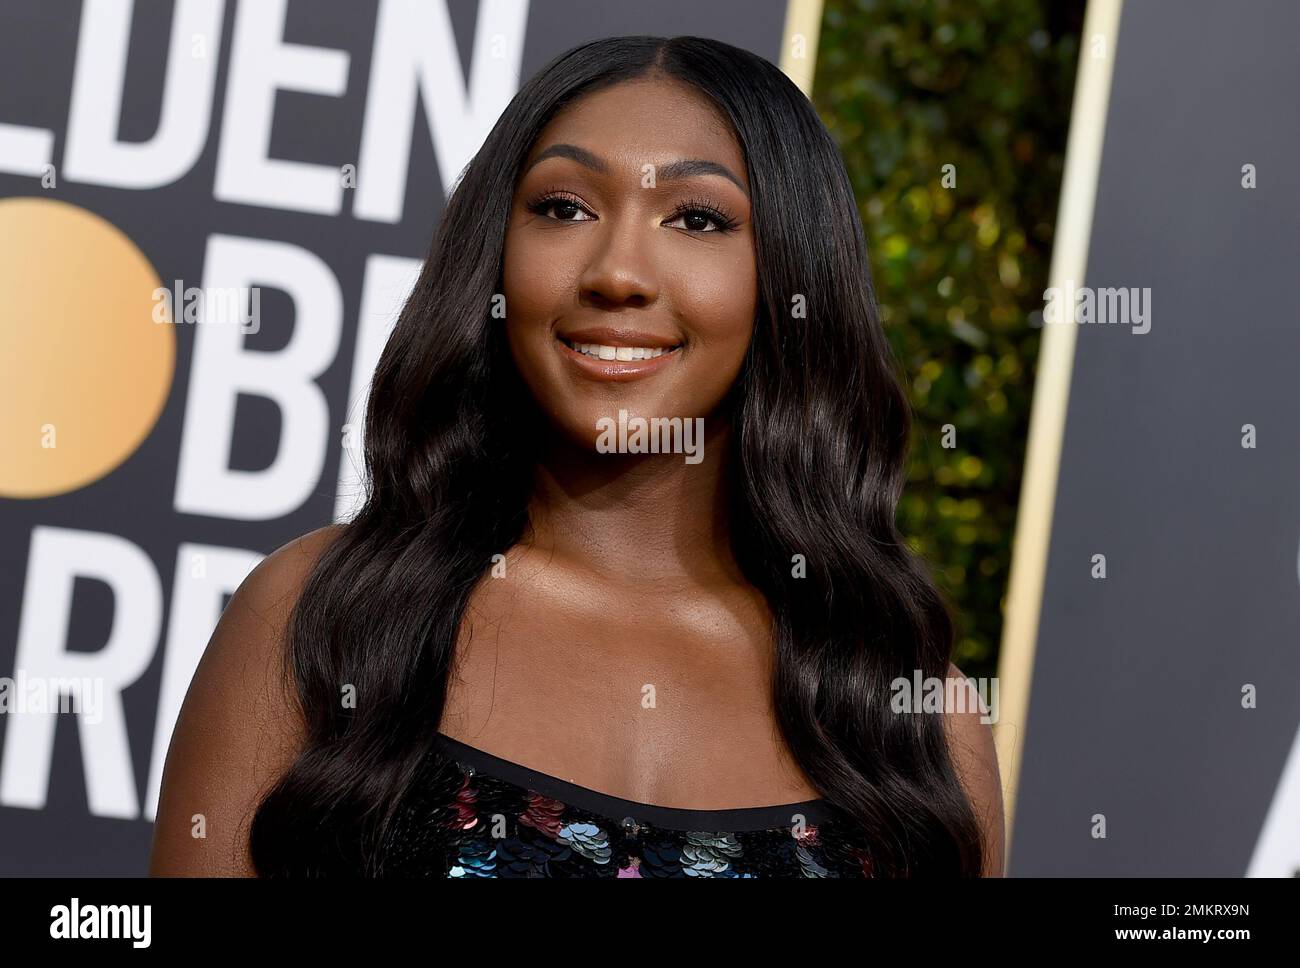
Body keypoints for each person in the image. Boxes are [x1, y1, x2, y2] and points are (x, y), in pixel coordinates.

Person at [149, 35, 1004, 878]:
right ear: (493, 255)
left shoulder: (913, 722)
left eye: (697, 218)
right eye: (564, 208)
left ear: (790, 276)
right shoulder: (322, 619)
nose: (618, 272)